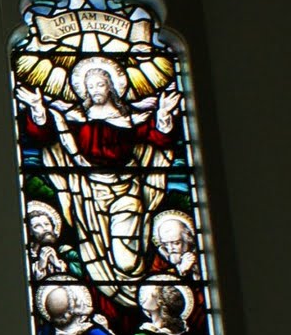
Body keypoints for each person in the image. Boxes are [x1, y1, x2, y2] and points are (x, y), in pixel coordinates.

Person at [16, 57, 180, 305]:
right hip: (89, 194)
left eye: (100, 84)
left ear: (112, 86)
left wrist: (164, 113)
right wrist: (38, 108)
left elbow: (159, 138)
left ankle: (139, 291)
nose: (95, 90)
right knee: (93, 252)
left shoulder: (130, 119)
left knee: (125, 259)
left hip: (127, 186)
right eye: (90, 86)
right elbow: (45, 135)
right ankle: (106, 303)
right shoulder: (73, 118)